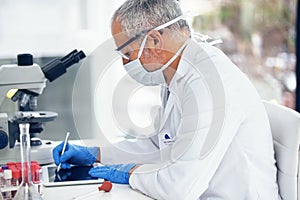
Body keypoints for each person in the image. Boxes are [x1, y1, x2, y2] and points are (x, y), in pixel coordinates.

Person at [53, 0, 281, 199]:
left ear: (153, 41)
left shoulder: (210, 85)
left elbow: (178, 189)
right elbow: (161, 145)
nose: (124, 63)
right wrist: (97, 154)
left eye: (126, 53)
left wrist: (130, 175)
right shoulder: (176, 75)